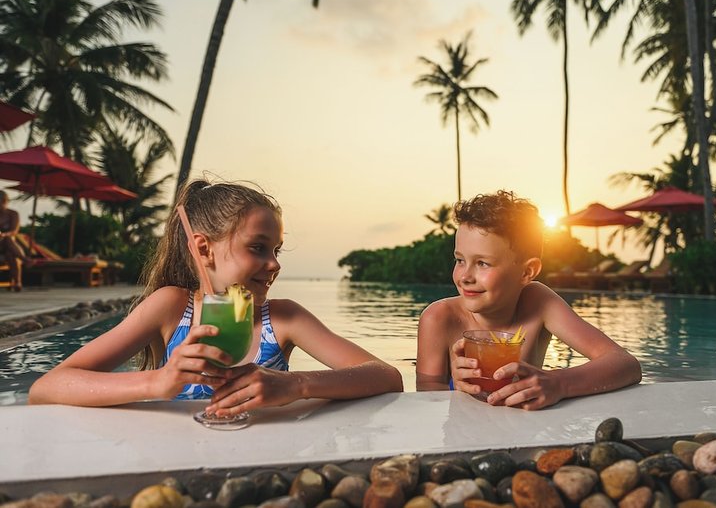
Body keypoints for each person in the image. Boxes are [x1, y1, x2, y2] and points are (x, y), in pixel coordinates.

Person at [29, 179, 403, 414]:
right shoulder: (172, 306)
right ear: (203, 249)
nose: (273, 265)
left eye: (276, 251)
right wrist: (156, 383)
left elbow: (386, 376)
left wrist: (296, 385)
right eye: (257, 248)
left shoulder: (284, 318)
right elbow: (46, 388)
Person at [415, 190, 641, 410]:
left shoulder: (538, 302)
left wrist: (559, 383)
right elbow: (427, 395)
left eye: (483, 263)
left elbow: (625, 364)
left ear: (527, 272)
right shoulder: (439, 318)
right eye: (460, 260)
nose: (464, 277)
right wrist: (455, 387)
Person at [0, 190, 29, 292]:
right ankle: (25, 259)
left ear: (6, 201)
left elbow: (14, 231)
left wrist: (4, 234)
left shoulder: (13, 214)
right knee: (9, 242)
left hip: (8, 244)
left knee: (10, 254)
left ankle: (17, 282)